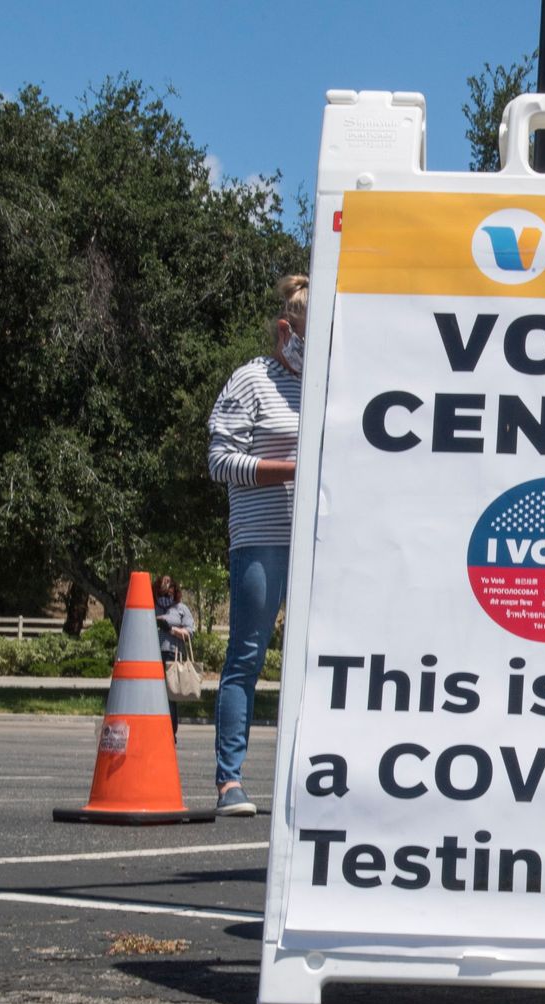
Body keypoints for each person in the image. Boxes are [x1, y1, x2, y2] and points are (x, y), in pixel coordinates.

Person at [207, 274, 306, 816]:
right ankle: (230, 781)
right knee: (247, 654)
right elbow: (220, 462)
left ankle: (309, 779)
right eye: (305, 336)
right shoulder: (251, 380)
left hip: (320, 544)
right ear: (284, 329)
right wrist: (293, 470)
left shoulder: (331, 382)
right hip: (262, 538)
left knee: (316, 662)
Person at [155, 574, 196, 739]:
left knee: (170, 695)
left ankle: (170, 732)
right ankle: (155, 730)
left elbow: (190, 633)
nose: (166, 592)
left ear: (174, 589)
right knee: (155, 694)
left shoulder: (181, 609)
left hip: (173, 653)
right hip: (154, 655)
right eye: (162, 589)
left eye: (169, 587)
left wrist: (170, 630)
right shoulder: (152, 607)